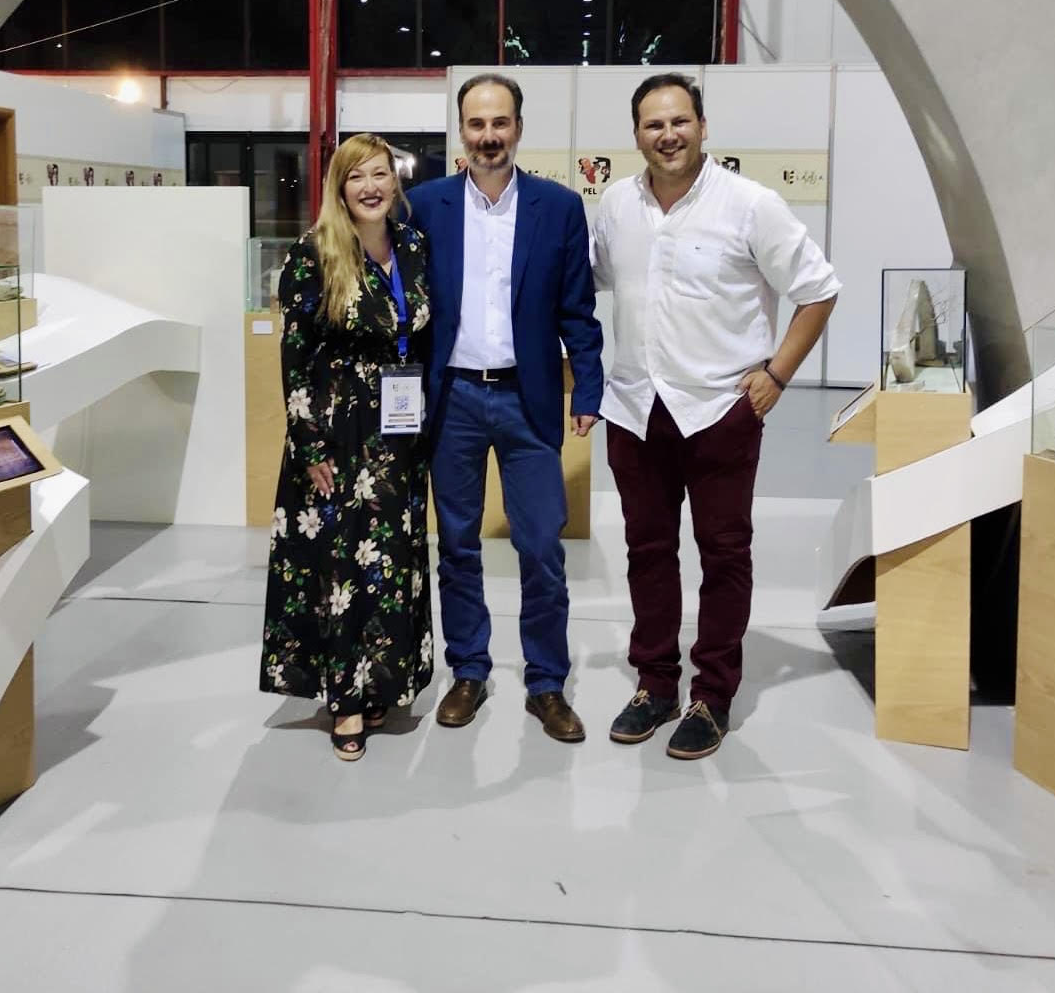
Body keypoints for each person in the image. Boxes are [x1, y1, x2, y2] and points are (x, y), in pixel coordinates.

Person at [592, 73, 839, 760]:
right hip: (637, 409)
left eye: (680, 121)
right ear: (637, 134)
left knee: (724, 554)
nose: (667, 134)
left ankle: (713, 693)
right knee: (647, 551)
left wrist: (777, 373)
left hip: (720, 411)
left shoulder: (750, 205)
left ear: (703, 127)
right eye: (653, 124)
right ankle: (655, 683)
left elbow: (819, 290)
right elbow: (589, 283)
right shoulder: (617, 205)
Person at [407, 73, 604, 743]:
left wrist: (589, 388)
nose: (488, 136)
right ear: (461, 130)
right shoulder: (425, 205)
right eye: (476, 123)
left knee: (542, 545)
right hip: (452, 399)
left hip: (529, 397)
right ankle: (468, 669)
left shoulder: (559, 207)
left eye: (500, 123)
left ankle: (546, 683)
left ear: (518, 127)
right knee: (457, 544)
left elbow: (578, 310)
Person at [259, 134, 434, 762]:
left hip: (399, 431)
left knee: (389, 563)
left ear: (395, 182)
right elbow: (295, 355)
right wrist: (309, 445)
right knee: (339, 568)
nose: (370, 186)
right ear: (339, 185)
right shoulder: (313, 253)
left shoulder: (412, 245)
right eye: (356, 176)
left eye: (380, 174)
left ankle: (380, 679)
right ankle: (345, 700)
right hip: (337, 434)